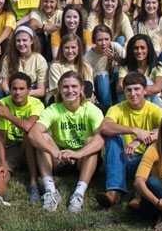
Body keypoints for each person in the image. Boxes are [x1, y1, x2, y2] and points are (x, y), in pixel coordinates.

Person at [27, 72, 105, 213]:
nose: (70, 90)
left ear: (81, 89)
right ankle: (50, 191)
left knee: (91, 140)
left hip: (83, 159)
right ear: (59, 90)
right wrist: (55, 152)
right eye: (65, 87)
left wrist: (78, 153)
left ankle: (78, 194)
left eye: (74, 86)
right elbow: (33, 133)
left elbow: (101, 140)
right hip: (59, 158)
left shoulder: (92, 110)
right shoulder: (54, 109)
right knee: (42, 137)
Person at [95, 72, 162, 208]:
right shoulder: (117, 108)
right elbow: (105, 126)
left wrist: (139, 140)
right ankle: (114, 192)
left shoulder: (153, 109)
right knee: (112, 136)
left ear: (145, 90)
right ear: (124, 92)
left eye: (137, 89)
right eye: (129, 90)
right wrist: (135, 131)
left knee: (156, 142)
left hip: (145, 160)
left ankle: (139, 194)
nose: (133, 94)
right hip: (121, 159)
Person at [0, 72, 44, 208]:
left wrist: (8, 115)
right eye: (14, 88)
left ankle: (33, 184)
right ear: (10, 89)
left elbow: (27, 126)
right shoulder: (3, 104)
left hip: (30, 147)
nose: (17, 92)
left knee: (28, 135)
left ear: (29, 90)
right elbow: (1, 137)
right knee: (0, 171)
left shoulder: (37, 104)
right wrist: (1, 163)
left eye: (22, 89)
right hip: (10, 146)